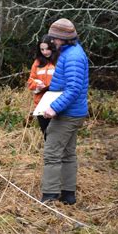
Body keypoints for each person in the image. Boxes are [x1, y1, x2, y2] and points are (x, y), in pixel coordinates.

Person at [41, 18, 89, 205]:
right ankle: (68, 195)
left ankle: (50, 196)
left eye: (54, 38)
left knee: (52, 153)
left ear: (62, 38)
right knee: (68, 154)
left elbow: (74, 88)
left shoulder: (73, 57)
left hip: (68, 114)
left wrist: (54, 107)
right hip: (72, 112)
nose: (52, 41)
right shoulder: (70, 52)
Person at [27, 35, 58, 141]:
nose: (45, 52)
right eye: (42, 49)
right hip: (40, 105)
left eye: (47, 49)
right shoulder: (37, 63)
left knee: (57, 135)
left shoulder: (59, 61)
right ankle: (50, 157)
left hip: (56, 104)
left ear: (53, 47)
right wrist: (37, 85)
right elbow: (30, 81)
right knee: (46, 135)